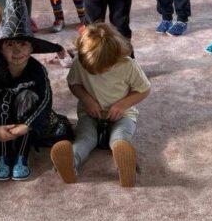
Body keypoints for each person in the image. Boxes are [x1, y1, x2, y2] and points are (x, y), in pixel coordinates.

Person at [0, 0, 72, 182]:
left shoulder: (37, 70)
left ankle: (22, 155)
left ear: (31, 48)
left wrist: (27, 126)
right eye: (10, 45)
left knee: (29, 96)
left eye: (23, 44)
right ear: (1, 49)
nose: (17, 50)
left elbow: (46, 101)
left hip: (27, 119)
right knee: (1, 99)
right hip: (1, 118)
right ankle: (3, 155)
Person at [50, 23, 150, 187]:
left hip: (123, 115)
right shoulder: (80, 61)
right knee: (85, 138)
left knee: (119, 138)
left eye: (104, 68)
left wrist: (122, 105)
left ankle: (125, 166)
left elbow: (144, 90)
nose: (98, 73)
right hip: (89, 113)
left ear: (116, 55)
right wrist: (87, 100)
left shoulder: (128, 65)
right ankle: (70, 162)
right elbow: (74, 84)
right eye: (92, 70)